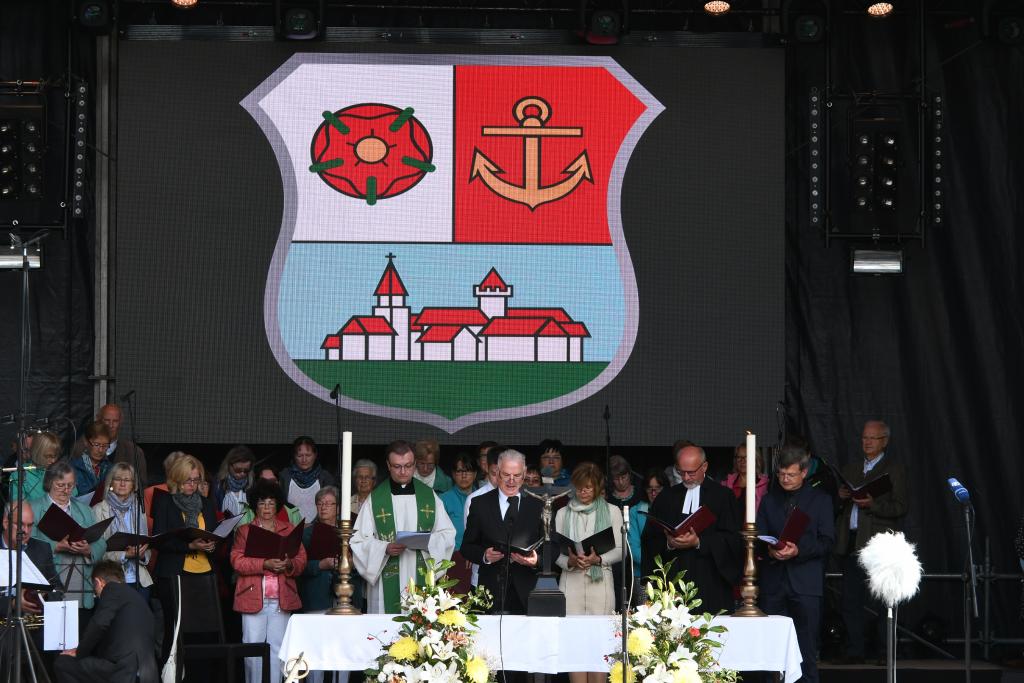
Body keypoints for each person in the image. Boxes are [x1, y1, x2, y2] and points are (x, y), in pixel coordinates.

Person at [756, 443, 834, 683]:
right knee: (771, 648)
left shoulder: (820, 500)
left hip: (806, 583)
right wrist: (770, 550)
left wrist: (798, 550)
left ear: (804, 471)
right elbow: (757, 537)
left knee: (807, 647)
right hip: (774, 582)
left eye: (790, 474)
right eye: (780, 474)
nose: (785, 479)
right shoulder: (769, 500)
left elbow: (827, 541)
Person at [351, 440, 455, 614]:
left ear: (414, 464)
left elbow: (448, 534)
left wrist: (426, 541)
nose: (403, 471)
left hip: (420, 572)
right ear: (388, 466)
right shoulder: (376, 500)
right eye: (397, 466)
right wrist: (383, 548)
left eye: (408, 466)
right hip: (385, 580)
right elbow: (359, 541)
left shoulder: (429, 496)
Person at [834, 420, 908, 663]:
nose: (867, 442)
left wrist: (873, 504)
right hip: (853, 541)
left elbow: (901, 506)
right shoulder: (852, 468)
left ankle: (885, 652)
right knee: (851, 600)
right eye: (864, 437)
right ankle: (855, 650)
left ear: (884, 441)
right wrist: (842, 496)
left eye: (872, 438)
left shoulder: (894, 468)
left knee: (882, 601)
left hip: (879, 545)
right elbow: (840, 507)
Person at [641, 443, 742, 614]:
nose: (686, 478)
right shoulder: (666, 497)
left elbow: (734, 541)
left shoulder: (723, 497)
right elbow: (649, 539)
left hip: (711, 583)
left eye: (691, 472)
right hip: (673, 583)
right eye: (681, 472)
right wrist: (669, 543)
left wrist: (699, 542)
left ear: (705, 467)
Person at [232, 479, 307, 683]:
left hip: (281, 600)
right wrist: (265, 564)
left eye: (271, 502)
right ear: (255, 505)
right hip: (252, 597)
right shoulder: (245, 531)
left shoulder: (289, 529)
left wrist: (289, 564)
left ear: (278, 505)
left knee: (279, 650)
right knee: (252, 650)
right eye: (262, 502)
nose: (266, 507)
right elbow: (237, 561)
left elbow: (301, 560)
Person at [554, 462, 623, 683]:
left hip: (600, 586)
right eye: (579, 487)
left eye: (588, 487)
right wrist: (570, 561)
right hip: (570, 586)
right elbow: (554, 553)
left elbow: (621, 550)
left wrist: (599, 559)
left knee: (600, 646)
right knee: (574, 647)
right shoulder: (563, 513)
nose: (583, 492)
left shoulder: (612, 511)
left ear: (597, 487)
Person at [152, 454, 219, 663]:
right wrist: (189, 545)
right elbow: (159, 541)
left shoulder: (206, 504)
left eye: (196, 480)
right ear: (176, 480)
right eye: (188, 480)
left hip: (205, 573)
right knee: (175, 631)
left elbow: (214, 532)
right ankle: (170, 674)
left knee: (204, 632)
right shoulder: (165, 503)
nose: (192, 485)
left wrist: (212, 543)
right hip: (175, 574)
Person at [461, 449, 543, 615]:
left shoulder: (538, 504)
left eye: (517, 475)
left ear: (524, 473)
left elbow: (552, 545)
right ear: (497, 473)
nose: (511, 481)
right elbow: (467, 547)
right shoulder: (479, 504)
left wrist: (536, 560)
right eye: (506, 475)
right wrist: (484, 555)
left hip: (526, 593)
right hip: (490, 591)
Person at [54, 560, 158, 683]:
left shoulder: (112, 589)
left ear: (99, 582)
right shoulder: (137, 598)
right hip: (147, 672)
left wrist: (79, 652)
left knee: (63, 663)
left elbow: (99, 624)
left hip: (122, 668)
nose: (96, 595)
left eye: (95, 589)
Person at [30, 462, 106, 609]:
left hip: (80, 583)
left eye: (70, 485)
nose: (66, 490)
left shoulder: (85, 510)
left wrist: (88, 550)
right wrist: (54, 546)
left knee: (80, 627)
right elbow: (27, 543)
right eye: (60, 485)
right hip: (48, 580)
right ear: (49, 483)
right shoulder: (34, 508)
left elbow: (102, 542)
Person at [93, 463, 153, 600]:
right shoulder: (98, 510)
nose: (122, 483)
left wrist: (142, 554)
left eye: (127, 480)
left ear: (133, 485)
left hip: (140, 580)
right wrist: (125, 554)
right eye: (118, 479)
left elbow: (146, 544)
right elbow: (96, 551)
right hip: (111, 579)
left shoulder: (139, 510)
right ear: (111, 482)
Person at [1, 500, 62, 619]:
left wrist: (41, 596)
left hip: (33, 626)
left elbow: (58, 590)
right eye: (20, 524)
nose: (26, 531)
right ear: (5, 523)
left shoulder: (42, 549)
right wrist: (12, 604)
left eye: (30, 525)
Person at [71, 404, 148, 488]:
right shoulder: (78, 448)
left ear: (121, 422)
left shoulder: (134, 452)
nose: (110, 425)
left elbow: (142, 486)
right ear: (98, 419)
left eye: (115, 421)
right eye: (107, 420)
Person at [439, 452, 478, 593]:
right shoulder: (443, 499)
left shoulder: (482, 498)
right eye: (459, 471)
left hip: (477, 558)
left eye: (467, 471)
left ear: (475, 474)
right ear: (453, 475)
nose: (463, 475)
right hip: (452, 557)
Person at [463, 446, 502, 587]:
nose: (499, 478)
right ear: (486, 467)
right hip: (481, 576)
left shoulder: (520, 498)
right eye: (494, 473)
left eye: (503, 473)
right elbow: (469, 544)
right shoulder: (474, 499)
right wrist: (484, 554)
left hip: (513, 578)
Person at [627, 469, 669, 592]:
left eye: (658, 488)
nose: (653, 493)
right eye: (649, 489)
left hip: (669, 574)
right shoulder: (635, 511)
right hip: (643, 575)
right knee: (646, 611)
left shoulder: (673, 509)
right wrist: (658, 567)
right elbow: (633, 548)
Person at [279, 437, 336, 523]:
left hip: (318, 527)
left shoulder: (325, 477)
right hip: (290, 527)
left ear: (315, 455)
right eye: (300, 455)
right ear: (294, 456)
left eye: (308, 455)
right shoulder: (285, 476)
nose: (304, 460)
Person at [7, 430, 61, 502]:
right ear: (38, 452)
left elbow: (74, 499)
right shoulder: (18, 476)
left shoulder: (59, 472)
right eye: (49, 456)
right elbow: (19, 509)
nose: (53, 461)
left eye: (55, 456)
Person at [724, 442, 770, 512]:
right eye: (739, 457)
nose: (742, 461)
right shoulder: (726, 484)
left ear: (756, 459)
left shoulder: (766, 485)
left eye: (747, 457)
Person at [72, 422, 115, 497]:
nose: (100, 450)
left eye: (105, 446)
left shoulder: (111, 469)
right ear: (86, 442)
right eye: (96, 444)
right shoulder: (72, 468)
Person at [214, 445, 255, 518]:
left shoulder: (251, 485)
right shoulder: (217, 485)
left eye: (246, 470)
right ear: (228, 465)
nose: (242, 473)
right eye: (238, 470)